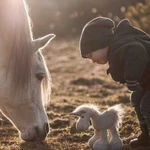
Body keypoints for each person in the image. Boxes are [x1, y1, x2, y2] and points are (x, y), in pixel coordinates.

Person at [79, 16, 150, 148]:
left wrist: (131, 77)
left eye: (90, 55)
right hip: (147, 81)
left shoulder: (120, 46)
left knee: (146, 104)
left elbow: (137, 51)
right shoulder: (117, 48)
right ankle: (147, 134)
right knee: (136, 98)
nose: (92, 60)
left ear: (100, 44)